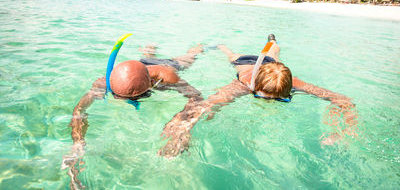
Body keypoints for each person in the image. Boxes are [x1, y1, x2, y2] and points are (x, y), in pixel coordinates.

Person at [158, 35, 357, 159]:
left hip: (270, 62)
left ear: (289, 90)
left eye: (280, 99)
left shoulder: (293, 82)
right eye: (263, 97)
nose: (270, 103)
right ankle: (220, 44)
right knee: (231, 55)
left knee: (275, 51)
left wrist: (342, 130)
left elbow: (344, 100)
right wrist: (181, 132)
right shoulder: (243, 84)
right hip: (244, 63)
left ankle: (272, 41)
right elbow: (202, 106)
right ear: (255, 88)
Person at [61, 44, 204, 189]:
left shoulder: (167, 77)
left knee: (188, 59)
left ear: (151, 84)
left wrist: (182, 123)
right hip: (138, 69)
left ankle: (196, 48)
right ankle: (149, 51)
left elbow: (197, 98)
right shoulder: (105, 82)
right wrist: (78, 142)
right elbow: (79, 110)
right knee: (147, 58)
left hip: (164, 67)